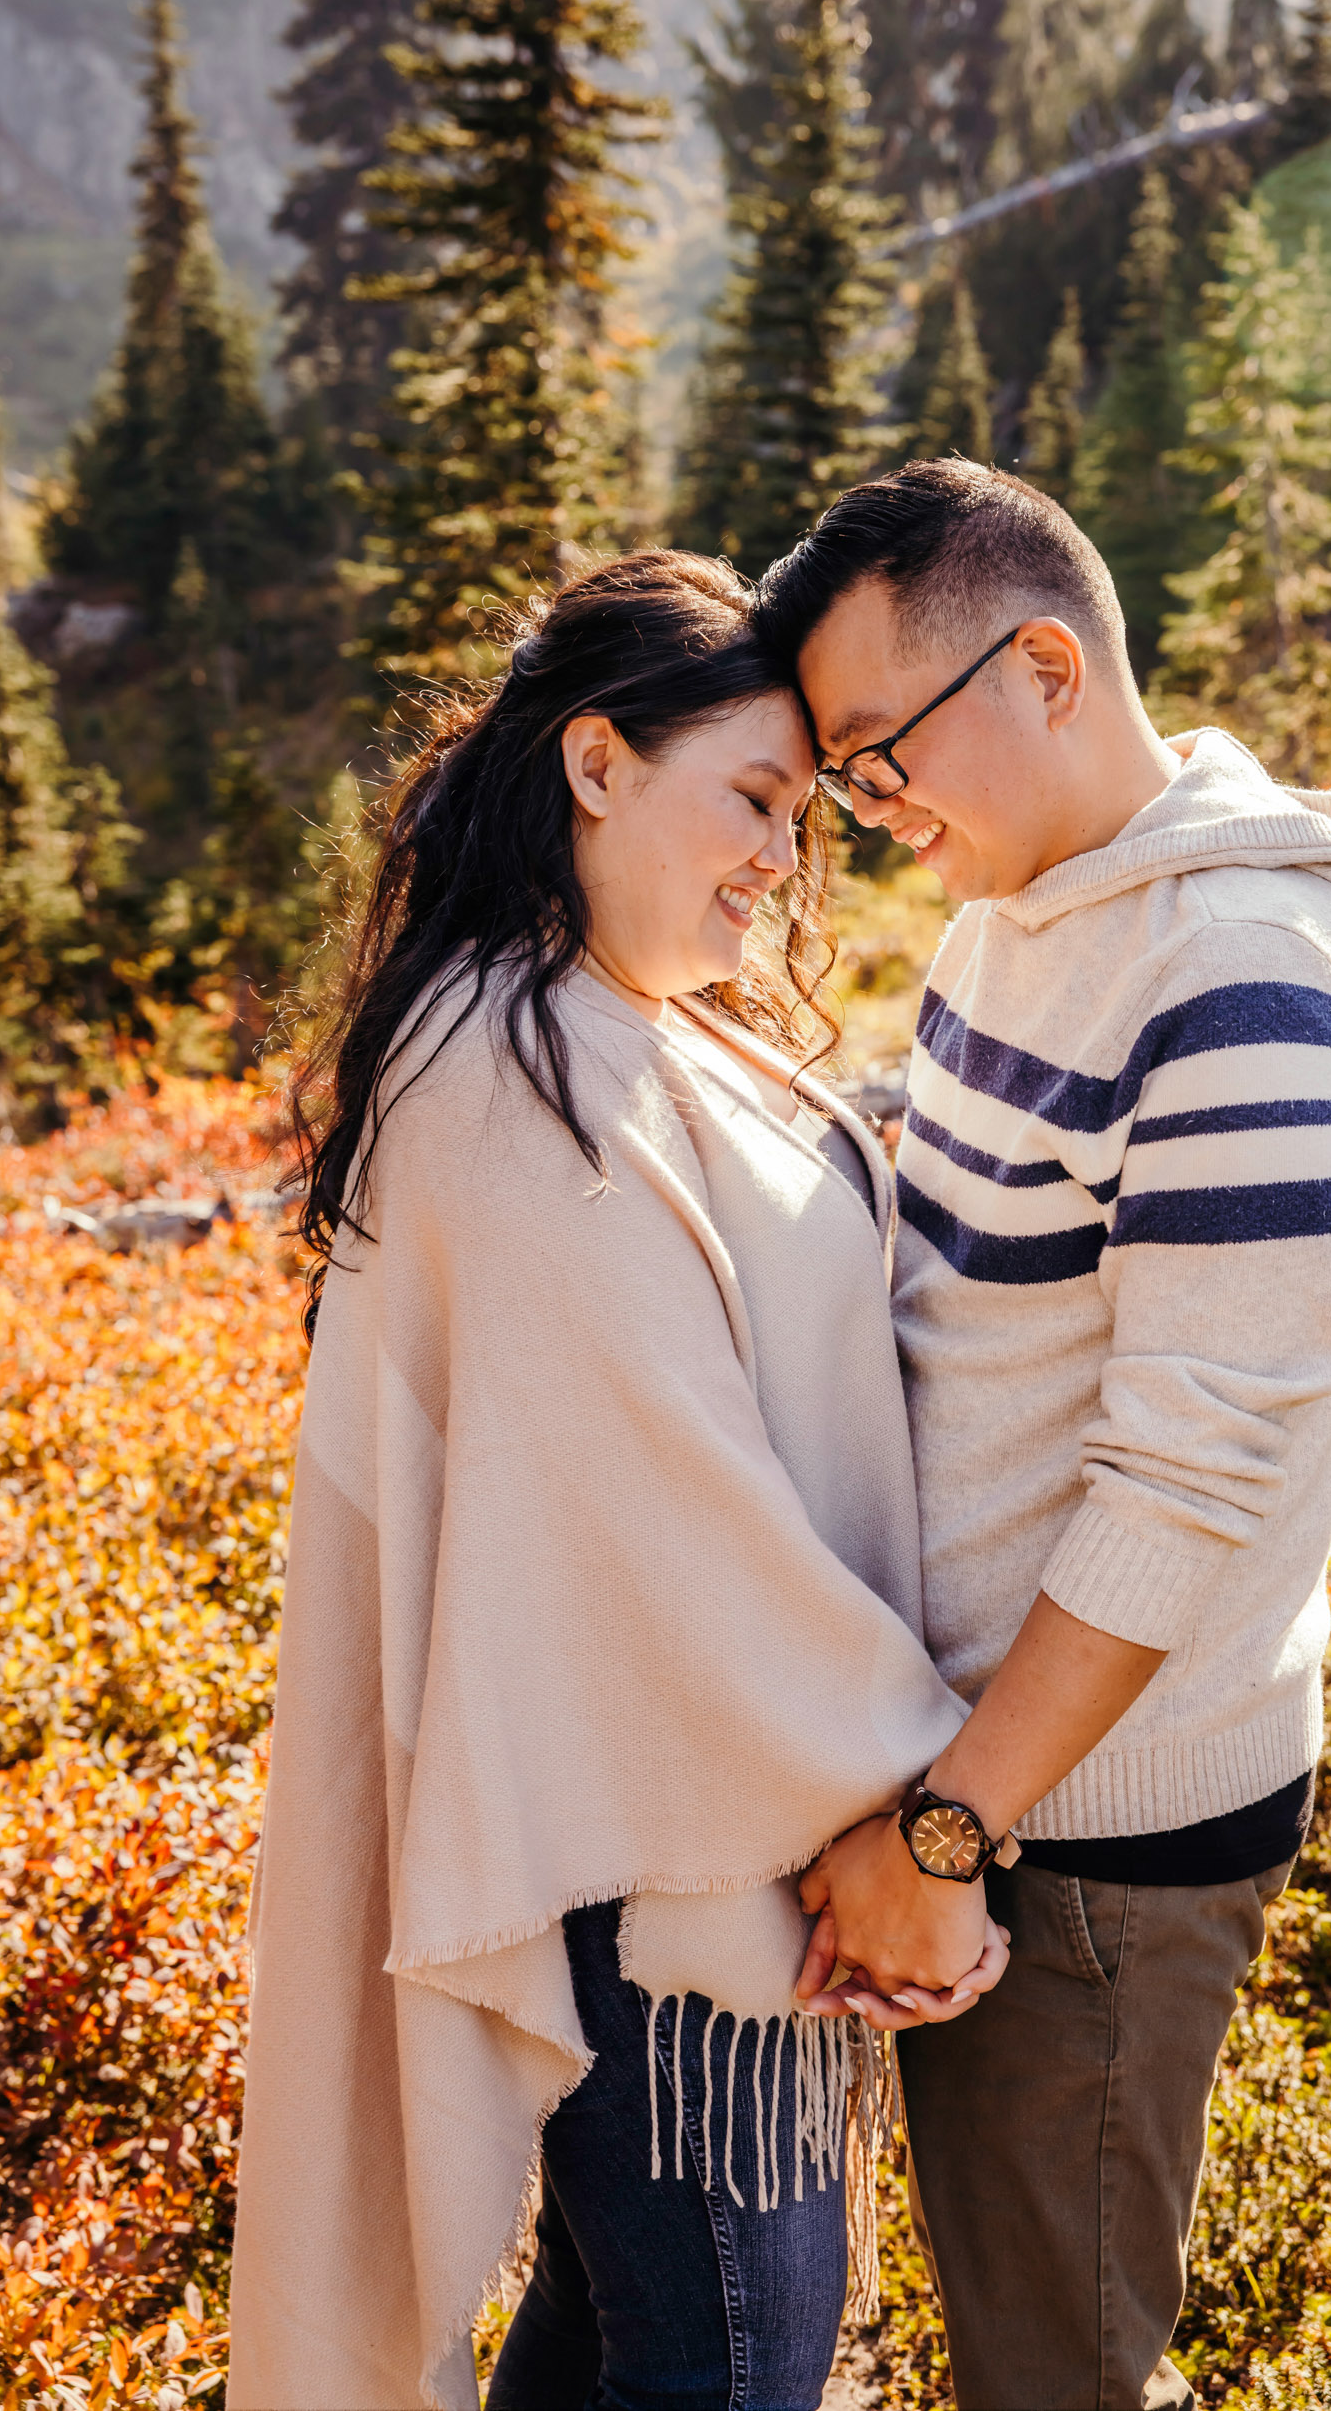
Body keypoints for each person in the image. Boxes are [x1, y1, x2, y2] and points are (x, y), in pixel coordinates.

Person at [225, 550, 1007, 2411]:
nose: (783, 861)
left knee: (613, 2352)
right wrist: (927, 1827)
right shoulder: (510, 1076)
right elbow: (676, 1533)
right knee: (725, 2372)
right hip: (681, 1893)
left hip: (688, 1852)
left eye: (807, 822)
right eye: (750, 799)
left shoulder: (612, 1026)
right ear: (595, 765)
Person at [766, 461, 1331, 2411]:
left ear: (1043, 662)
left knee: (1051, 2367)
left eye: (883, 752)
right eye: (844, 776)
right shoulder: (1028, 908)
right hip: (983, 1787)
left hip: (1088, 1842)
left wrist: (951, 1826)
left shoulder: (1239, 980)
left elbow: (1185, 1481)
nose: (879, 817)